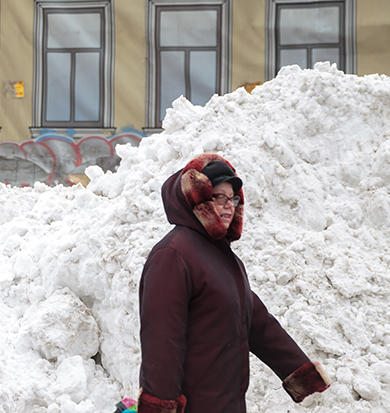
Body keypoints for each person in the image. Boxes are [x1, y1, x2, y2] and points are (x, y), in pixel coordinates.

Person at [138, 153, 330, 413]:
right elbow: (162, 343)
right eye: (219, 197)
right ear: (199, 199)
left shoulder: (223, 257)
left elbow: (257, 322)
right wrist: (160, 406)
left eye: (233, 198)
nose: (229, 206)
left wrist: (300, 372)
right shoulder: (173, 255)